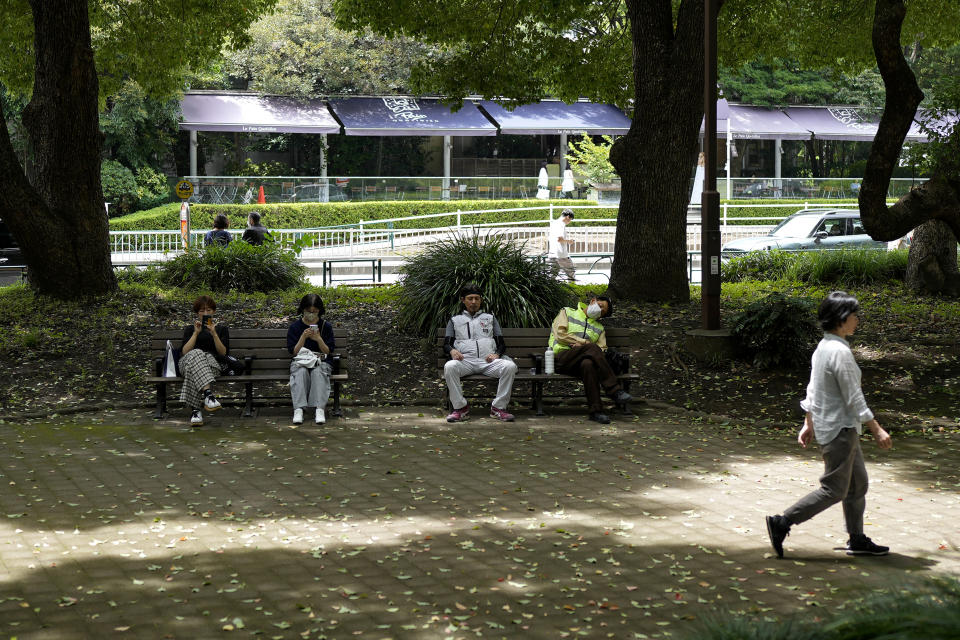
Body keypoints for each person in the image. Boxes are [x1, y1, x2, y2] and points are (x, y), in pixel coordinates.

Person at [766, 291, 893, 559]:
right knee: (834, 489)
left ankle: (857, 538)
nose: (858, 320)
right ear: (842, 319)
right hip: (840, 431)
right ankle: (783, 521)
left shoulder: (825, 346)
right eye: (855, 315)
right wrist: (876, 428)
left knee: (858, 485)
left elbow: (814, 389)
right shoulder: (838, 352)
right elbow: (854, 397)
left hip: (836, 427)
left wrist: (807, 422)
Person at [548, 296, 630, 424]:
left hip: (579, 365)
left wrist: (584, 347)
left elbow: (602, 349)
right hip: (561, 358)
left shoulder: (599, 328)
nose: (600, 311)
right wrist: (584, 343)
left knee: (588, 364)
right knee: (591, 347)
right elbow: (560, 334)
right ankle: (614, 390)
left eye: (602, 312)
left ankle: (596, 412)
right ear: (593, 301)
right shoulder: (567, 312)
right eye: (601, 306)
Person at [443, 283, 517, 423]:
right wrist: (452, 351)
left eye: (477, 298)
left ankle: (498, 408)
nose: (474, 302)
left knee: (509, 367)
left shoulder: (490, 318)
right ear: (463, 300)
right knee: (450, 366)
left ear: (481, 300)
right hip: (465, 361)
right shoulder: (454, 320)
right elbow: (446, 344)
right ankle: (460, 409)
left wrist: (497, 355)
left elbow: (501, 343)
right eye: (470, 298)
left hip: (488, 361)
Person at [179, 295, 229, 427]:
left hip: (211, 367)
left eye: (208, 310)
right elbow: (185, 352)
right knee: (197, 352)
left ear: (214, 311)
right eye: (202, 311)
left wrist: (214, 334)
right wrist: (196, 333)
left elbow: (223, 352)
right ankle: (208, 396)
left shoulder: (221, 330)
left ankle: (196, 412)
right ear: (197, 313)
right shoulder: (190, 329)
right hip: (187, 362)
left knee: (194, 368)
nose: (205, 313)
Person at [287, 293, 335, 426]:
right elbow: (294, 352)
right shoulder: (295, 327)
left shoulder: (326, 326)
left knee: (318, 372)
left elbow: (328, 351)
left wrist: (319, 339)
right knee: (300, 372)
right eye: (309, 311)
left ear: (320, 311)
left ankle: (319, 409)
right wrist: (303, 337)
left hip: (321, 360)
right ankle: (299, 409)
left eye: (315, 312)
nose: (312, 314)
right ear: (303, 310)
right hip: (301, 360)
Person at [548, 209, 576, 282]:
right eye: (570, 220)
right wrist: (569, 241)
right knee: (571, 272)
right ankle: (573, 289)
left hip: (552, 253)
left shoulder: (554, 223)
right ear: (567, 217)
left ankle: (548, 291)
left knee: (552, 274)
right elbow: (559, 239)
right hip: (561, 254)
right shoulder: (560, 224)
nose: (569, 222)